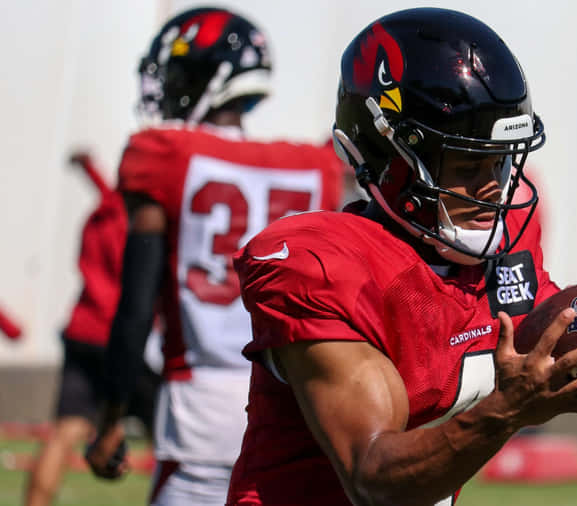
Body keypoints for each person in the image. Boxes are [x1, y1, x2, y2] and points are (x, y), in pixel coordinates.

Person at [225, 8, 577, 506]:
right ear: (388, 160)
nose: (491, 187)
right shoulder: (324, 268)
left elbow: (558, 346)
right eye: (465, 164)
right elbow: (375, 478)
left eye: (500, 162)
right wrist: (509, 409)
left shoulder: (502, 262)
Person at [84, 7, 345, 506]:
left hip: (199, 412)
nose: (171, 88)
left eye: (180, 75)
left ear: (214, 77)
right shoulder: (316, 168)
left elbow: (136, 306)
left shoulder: (165, 154)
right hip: (296, 410)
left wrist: (111, 420)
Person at [25, 153, 160, 506]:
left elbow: (106, 192)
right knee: (169, 435)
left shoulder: (97, 217)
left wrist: (88, 167)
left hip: (82, 331)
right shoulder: (140, 218)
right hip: (125, 337)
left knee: (64, 430)